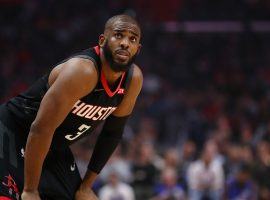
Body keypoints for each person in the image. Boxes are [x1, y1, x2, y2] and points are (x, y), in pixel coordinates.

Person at [0, 14, 143, 200]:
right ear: (102, 40)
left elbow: (112, 133)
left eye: (132, 39)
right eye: (118, 35)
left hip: (52, 146)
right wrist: (30, 190)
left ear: (137, 49)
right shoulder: (83, 71)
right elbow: (41, 128)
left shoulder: (133, 80)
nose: (125, 43)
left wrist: (86, 187)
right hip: (14, 131)